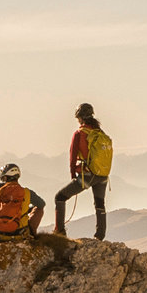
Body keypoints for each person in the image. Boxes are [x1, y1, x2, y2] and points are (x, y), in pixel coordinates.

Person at [54, 102, 111, 239]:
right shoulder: (99, 133)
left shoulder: (79, 133)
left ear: (80, 117)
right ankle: (100, 235)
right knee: (99, 204)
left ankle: (59, 231)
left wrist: (73, 174)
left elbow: (73, 156)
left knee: (60, 197)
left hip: (87, 175)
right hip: (102, 175)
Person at [0, 163, 45, 243]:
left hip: (1, 236)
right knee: (39, 209)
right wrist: (27, 209)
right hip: (20, 235)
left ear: (5, 178)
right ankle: (32, 234)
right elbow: (41, 204)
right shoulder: (27, 193)